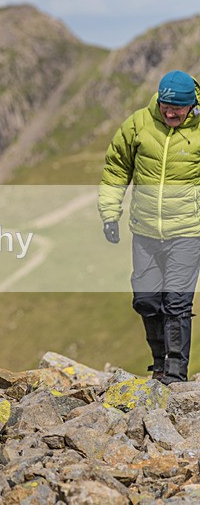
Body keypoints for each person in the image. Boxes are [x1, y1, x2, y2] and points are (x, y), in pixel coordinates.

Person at [99, 70, 200, 384]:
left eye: (177, 108)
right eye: (165, 106)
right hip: (144, 231)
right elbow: (116, 167)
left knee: (177, 302)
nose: (170, 112)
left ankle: (175, 373)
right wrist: (109, 214)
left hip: (187, 231)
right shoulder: (138, 124)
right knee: (146, 299)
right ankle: (158, 364)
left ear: (192, 105)